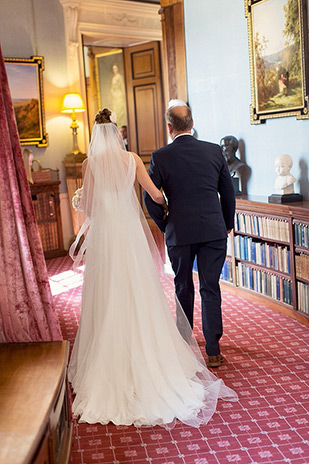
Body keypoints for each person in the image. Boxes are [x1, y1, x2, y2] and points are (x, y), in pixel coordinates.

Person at [68, 108, 238, 427]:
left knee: (115, 291)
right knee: (152, 289)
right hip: (143, 234)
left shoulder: (91, 164)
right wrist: (219, 221)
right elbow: (157, 195)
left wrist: (167, 222)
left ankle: (167, 342)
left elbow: (91, 206)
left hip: (110, 236)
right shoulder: (134, 159)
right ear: (117, 132)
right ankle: (207, 348)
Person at [144, 104, 235, 368]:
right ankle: (213, 351)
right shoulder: (213, 150)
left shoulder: (160, 157)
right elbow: (227, 193)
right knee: (210, 286)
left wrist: (165, 224)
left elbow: (150, 196)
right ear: (191, 123)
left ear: (169, 128)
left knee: (183, 286)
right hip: (212, 230)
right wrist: (226, 223)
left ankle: (184, 346)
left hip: (180, 231)